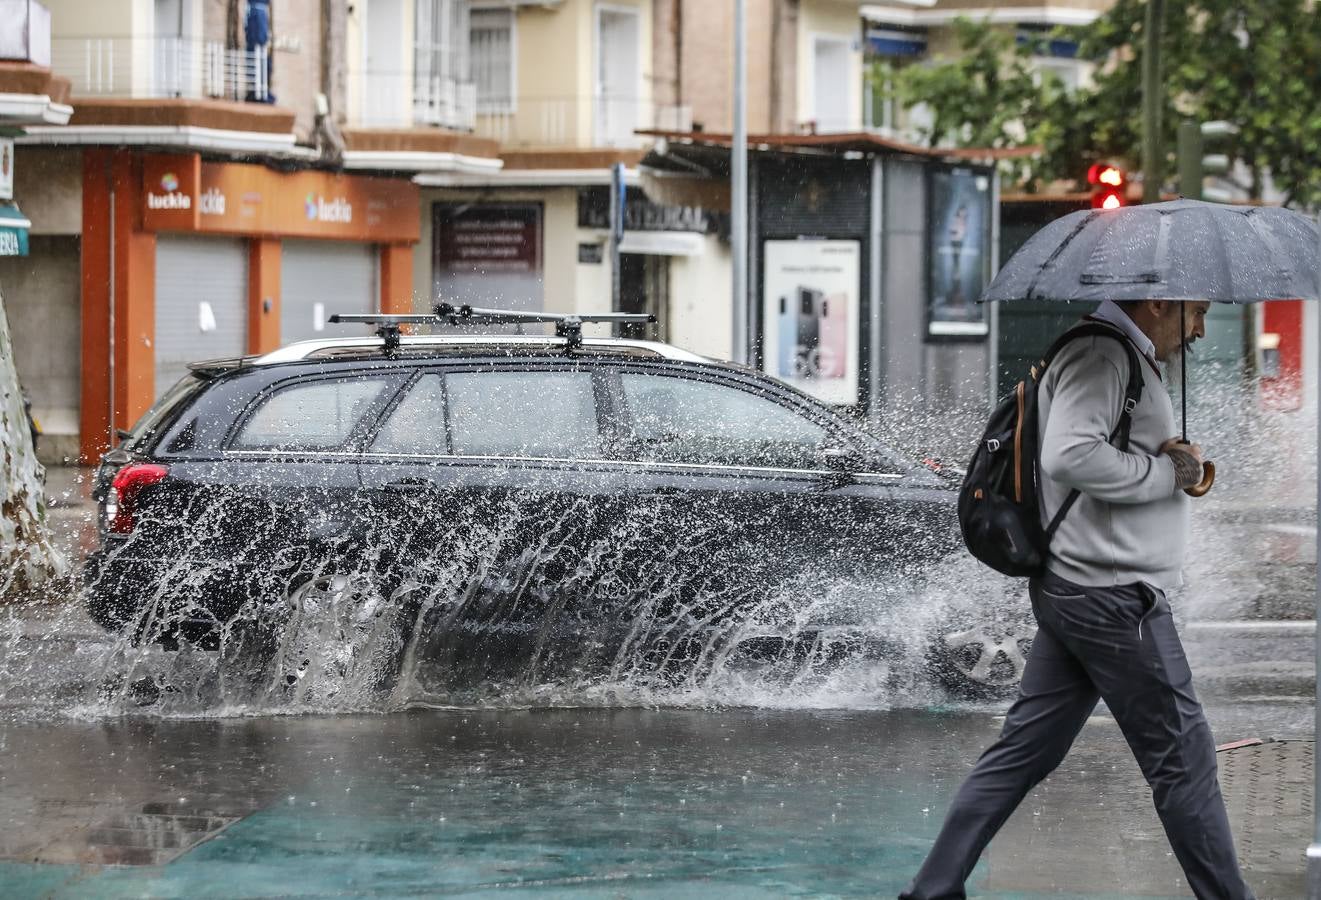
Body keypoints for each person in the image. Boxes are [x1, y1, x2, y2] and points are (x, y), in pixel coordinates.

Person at [901, 298, 1254, 900]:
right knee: (1185, 761)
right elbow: (1071, 455)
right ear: (1158, 302)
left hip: (1082, 590)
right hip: (1113, 599)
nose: (1199, 328)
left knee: (1023, 752)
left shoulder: (1114, 355)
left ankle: (931, 890)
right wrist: (1168, 474)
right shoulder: (1101, 355)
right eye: (1195, 312)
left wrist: (1172, 463)